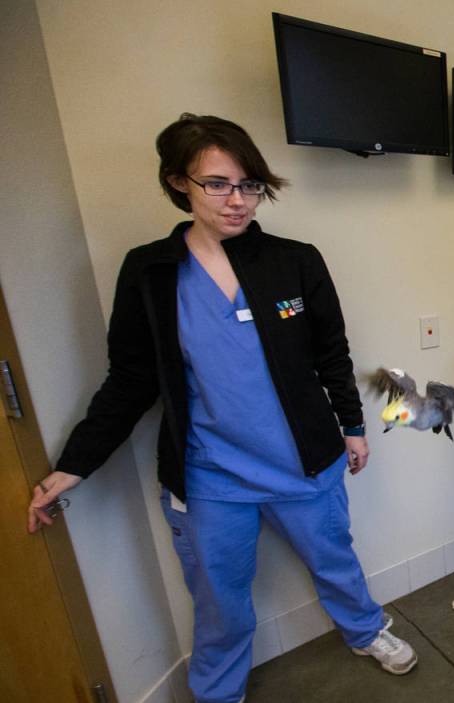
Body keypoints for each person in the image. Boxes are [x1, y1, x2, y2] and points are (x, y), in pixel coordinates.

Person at [27, 114, 417, 702]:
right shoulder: (151, 271)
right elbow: (130, 379)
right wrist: (73, 464)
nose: (237, 201)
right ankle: (217, 691)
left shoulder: (295, 260)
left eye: (249, 185)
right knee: (219, 598)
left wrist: (353, 426)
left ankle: (365, 630)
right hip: (209, 475)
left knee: (335, 560)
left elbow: (331, 353)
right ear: (179, 182)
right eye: (217, 184)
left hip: (302, 461)